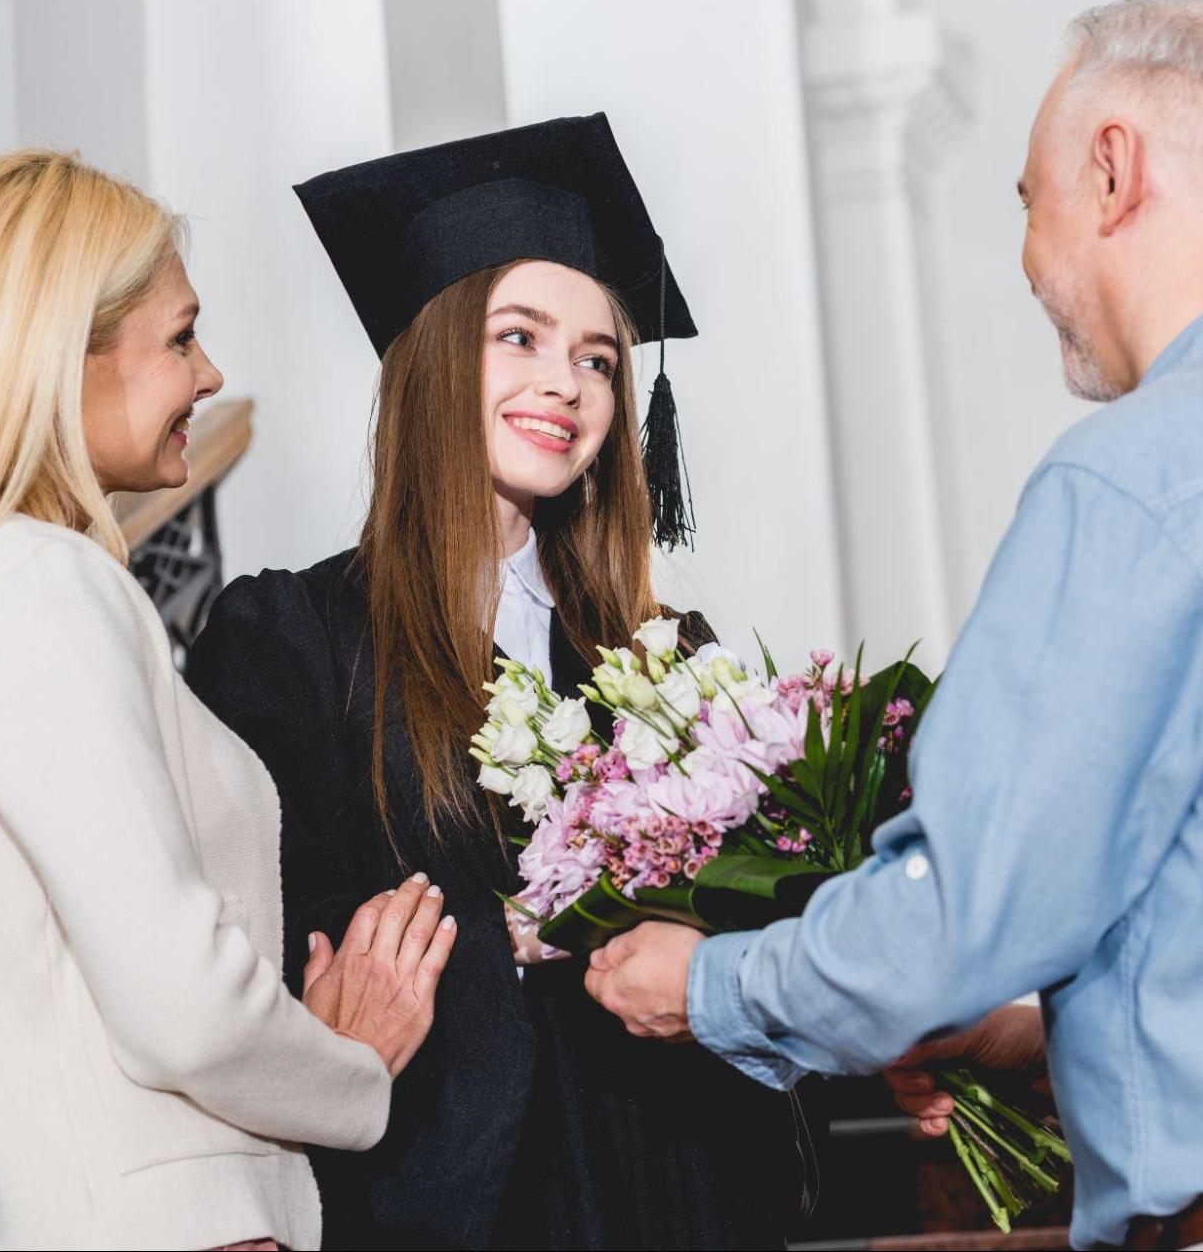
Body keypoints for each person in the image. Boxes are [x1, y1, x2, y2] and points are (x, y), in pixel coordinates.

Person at [583, 0, 1203, 1250]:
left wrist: (705, 983)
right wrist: (1043, 1034)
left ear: (1110, 171)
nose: (1030, 260)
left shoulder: (1135, 479)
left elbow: (956, 917)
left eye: (1026, 200)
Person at [184, 115, 803, 1250]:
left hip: (675, 1184)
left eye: (598, 358)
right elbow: (274, 933)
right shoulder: (294, 640)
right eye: (517, 337)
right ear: (433, 356)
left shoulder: (666, 660)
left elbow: (745, 922)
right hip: (457, 1192)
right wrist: (509, 925)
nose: (563, 384)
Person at [0, 149, 456, 1251]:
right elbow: (182, 1004)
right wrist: (348, 1065)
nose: (208, 377)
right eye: (179, 337)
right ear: (58, 359)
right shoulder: (42, 592)